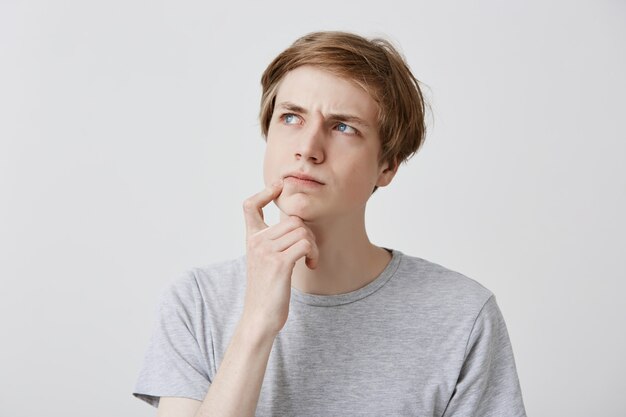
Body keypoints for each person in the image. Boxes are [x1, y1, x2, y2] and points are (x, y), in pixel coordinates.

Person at [132, 31, 527, 417]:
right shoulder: (197, 303)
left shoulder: (462, 315)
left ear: (387, 165)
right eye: (290, 117)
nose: (307, 148)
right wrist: (256, 324)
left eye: (343, 127)